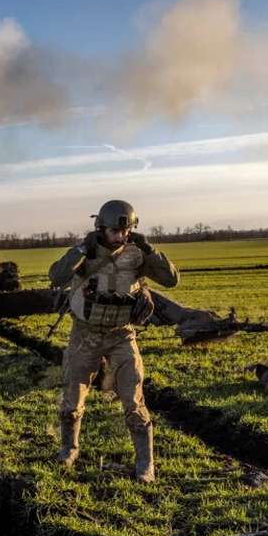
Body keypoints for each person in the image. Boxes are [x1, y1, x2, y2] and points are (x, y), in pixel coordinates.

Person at [48, 200, 179, 482]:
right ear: (100, 229)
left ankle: (146, 465)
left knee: (134, 401)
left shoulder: (138, 255)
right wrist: (81, 250)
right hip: (86, 335)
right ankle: (68, 450)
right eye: (114, 231)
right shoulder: (85, 253)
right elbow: (56, 276)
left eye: (126, 230)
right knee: (73, 400)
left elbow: (171, 280)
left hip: (122, 335)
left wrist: (150, 250)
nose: (120, 236)